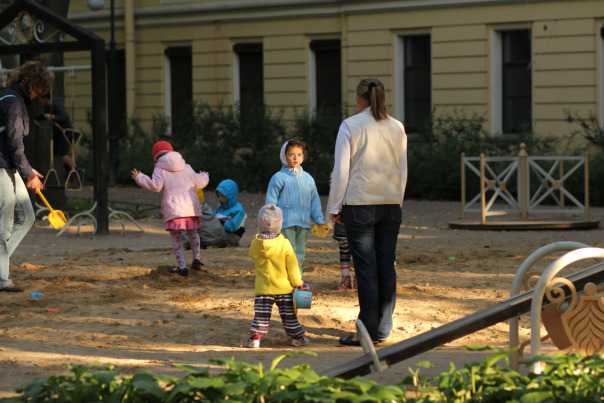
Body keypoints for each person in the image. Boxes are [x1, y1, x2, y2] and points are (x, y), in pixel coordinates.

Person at [326, 77, 407, 346]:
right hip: (390, 203)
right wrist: (397, 201)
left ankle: (367, 331)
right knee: (386, 266)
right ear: (384, 98)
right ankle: (383, 328)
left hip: (359, 203)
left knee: (366, 269)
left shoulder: (350, 126)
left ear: (358, 99)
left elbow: (342, 171)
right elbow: (403, 170)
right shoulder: (397, 127)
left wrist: (334, 207)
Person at [0, 60, 52, 292]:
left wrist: (28, 170)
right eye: (40, 89)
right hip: (2, 166)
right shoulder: (13, 101)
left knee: (27, 216)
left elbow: (11, 140)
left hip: (9, 165)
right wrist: (29, 175)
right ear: (33, 84)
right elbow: (14, 141)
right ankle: (2, 279)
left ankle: (0, 267)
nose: (40, 94)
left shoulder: (15, 99)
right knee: (4, 224)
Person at [132, 141, 209, 277]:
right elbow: (199, 182)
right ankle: (196, 260)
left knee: (176, 237)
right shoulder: (186, 166)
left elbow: (155, 187)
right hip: (191, 207)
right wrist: (205, 175)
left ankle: (182, 267)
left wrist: (140, 177)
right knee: (193, 233)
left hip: (174, 209)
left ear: (156, 157)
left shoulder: (160, 169)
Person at [245, 204, 309, 348]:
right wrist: (298, 283)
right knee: (288, 315)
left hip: (263, 288)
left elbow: (252, 255)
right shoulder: (285, 244)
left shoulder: (256, 243)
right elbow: (293, 266)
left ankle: (255, 339)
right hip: (283, 288)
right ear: (279, 224)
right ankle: (296, 338)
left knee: (261, 315)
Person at [265, 139, 328, 285]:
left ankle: (297, 280)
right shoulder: (278, 178)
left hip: (303, 223)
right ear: (284, 156)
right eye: (291, 154)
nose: (295, 158)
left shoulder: (308, 178)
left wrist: (319, 219)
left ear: (303, 156)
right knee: (289, 252)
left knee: (300, 253)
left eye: (299, 154)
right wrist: (270, 222)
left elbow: (314, 201)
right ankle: (289, 281)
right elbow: (270, 203)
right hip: (285, 223)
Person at [35, 93, 84, 185]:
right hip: (58, 133)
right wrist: (32, 116)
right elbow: (44, 116)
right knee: (57, 155)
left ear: (45, 98)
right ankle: (69, 169)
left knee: (62, 154)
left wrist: (53, 117)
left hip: (65, 132)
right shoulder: (48, 107)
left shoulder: (56, 104)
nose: (39, 101)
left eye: (40, 98)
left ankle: (78, 170)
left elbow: (64, 117)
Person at [214, 179, 247, 246]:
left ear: (230, 196)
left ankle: (229, 244)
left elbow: (232, 227)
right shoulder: (220, 207)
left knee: (216, 236)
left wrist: (221, 222)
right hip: (220, 231)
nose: (220, 198)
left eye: (222, 196)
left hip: (233, 235)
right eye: (219, 195)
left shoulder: (239, 210)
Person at [333, 222, 356, 291]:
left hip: (362, 222)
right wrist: (328, 222)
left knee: (359, 253)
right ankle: (345, 279)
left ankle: (359, 279)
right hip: (342, 222)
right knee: (344, 251)